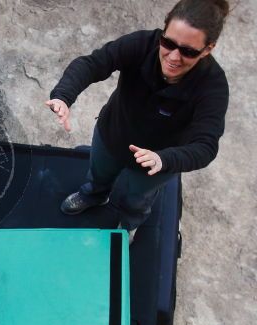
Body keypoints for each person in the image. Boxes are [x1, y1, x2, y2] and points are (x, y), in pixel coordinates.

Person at [46, 0, 229, 242]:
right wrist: (63, 96)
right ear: (163, 31)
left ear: (208, 49)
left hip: (156, 161)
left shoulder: (213, 87)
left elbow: (206, 146)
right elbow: (93, 64)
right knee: (98, 174)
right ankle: (94, 195)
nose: (174, 57)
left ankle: (129, 224)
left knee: (137, 199)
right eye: (168, 43)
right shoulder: (141, 44)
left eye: (188, 51)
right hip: (112, 133)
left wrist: (164, 159)